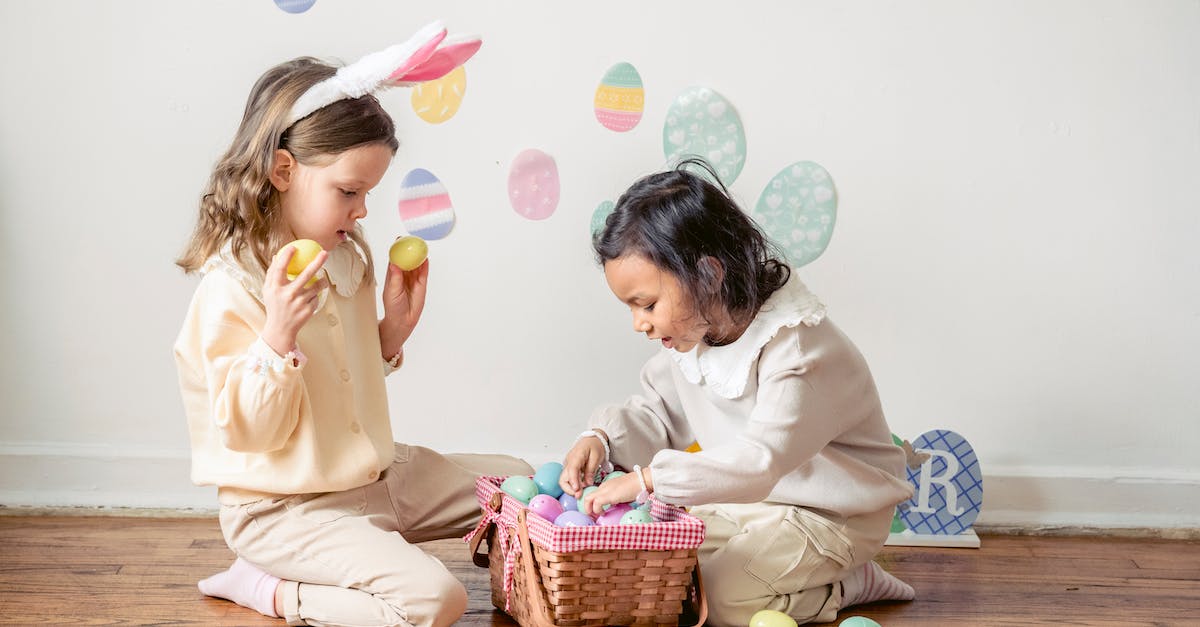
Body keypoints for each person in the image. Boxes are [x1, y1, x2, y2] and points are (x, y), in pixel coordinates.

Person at [173, 23, 531, 627]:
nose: (362, 210)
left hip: (376, 477)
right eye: (349, 191)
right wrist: (276, 338)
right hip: (286, 510)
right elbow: (250, 434)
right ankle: (267, 587)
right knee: (436, 601)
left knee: (522, 487)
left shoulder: (344, 257)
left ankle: (375, 546)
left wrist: (390, 334)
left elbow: (341, 386)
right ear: (283, 170)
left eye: (368, 192)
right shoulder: (232, 285)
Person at [559, 159, 917, 626]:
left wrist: (647, 480)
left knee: (720, 601)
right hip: (750, 504)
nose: (638, 324)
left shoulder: (797, 348)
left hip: (830, 515)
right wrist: (602, 439)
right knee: (663, 562)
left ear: (709, 276)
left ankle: (847, 584)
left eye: (647, 304)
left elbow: (761, 461)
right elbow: (660, 413)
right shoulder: (696, 332)